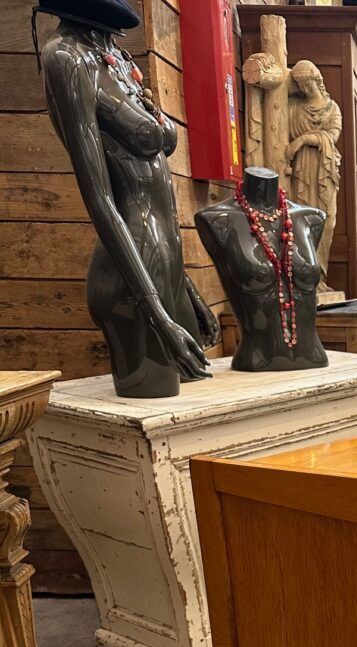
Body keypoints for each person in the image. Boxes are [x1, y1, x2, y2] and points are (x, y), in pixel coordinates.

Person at [36, 0, 217, 397]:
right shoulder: (66, 58)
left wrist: (185, 289)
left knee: (191, 402)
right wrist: (157, 314)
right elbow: (101, 199)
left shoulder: (113, 57)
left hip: (164, 261)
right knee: (156, 411)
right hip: (132, 282)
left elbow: (158, 199)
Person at [287, 61, 342, 291]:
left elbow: (332, 136)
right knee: (301, 222)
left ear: (316, 80)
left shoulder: (331, 108)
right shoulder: (293, 108)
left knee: (327, 222)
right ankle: (304, 280)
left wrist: (302, 140)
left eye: (306, 83)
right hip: (300, 172)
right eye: (299, 84)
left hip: (323, 169)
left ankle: (319, 278)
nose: (303, 88)